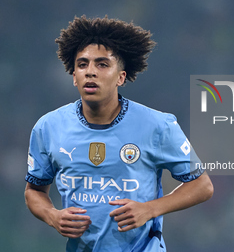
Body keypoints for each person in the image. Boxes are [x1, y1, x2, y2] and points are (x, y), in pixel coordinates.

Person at [24, 15, 213, 252]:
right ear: (74, 76)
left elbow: (202, 186)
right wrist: (52, 215)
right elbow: (34, 190)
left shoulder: (158, 125)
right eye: (82, 65)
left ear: (121, 77)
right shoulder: (48, 127)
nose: (90, 72)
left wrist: (150, 209)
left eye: (102, 64)